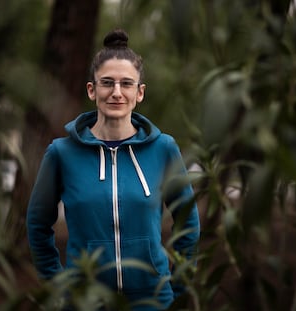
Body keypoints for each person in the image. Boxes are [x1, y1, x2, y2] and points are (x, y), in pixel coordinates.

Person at [26, 28, 200, 310]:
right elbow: (37, 224)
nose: (116, 92)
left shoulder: (164, 149)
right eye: (107, 83)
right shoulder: (61, 153)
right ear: (92, 90)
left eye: (126, 84)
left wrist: (176, 289)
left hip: (152, 300)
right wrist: (58, 286)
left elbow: (188, 224)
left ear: (139, 92)